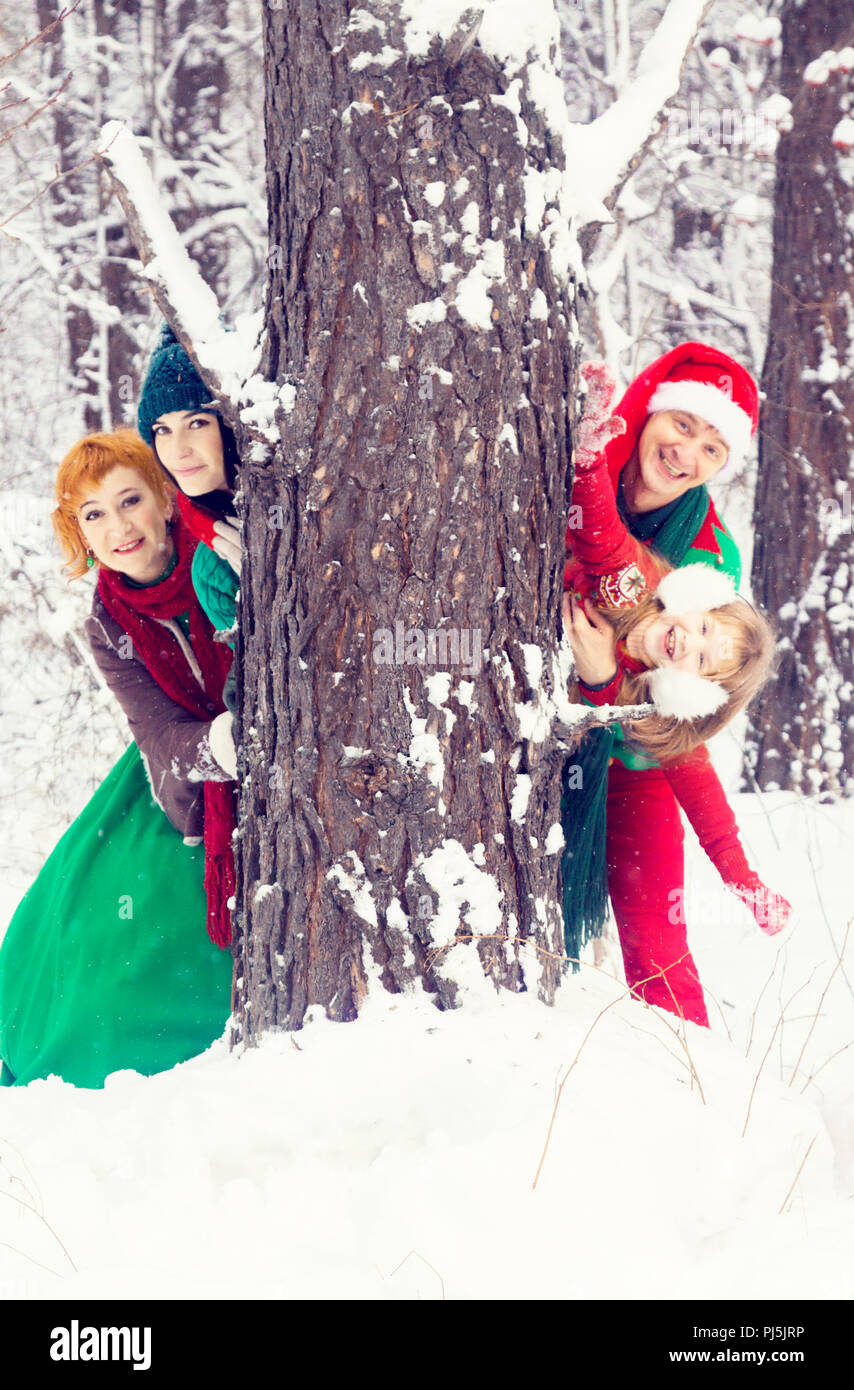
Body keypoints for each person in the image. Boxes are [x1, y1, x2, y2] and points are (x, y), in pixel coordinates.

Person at [560, 351, 791, 1028]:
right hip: (557, 720)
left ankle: (691, 1077)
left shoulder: (709, 557)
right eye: (682, 424)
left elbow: (680, 730)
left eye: (711, 446)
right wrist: (588, 449)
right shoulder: (591, 481)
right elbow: (599, 534)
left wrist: (740, 872)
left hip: (638, 750)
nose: (686, 451)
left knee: (658, 939)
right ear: (652, 408)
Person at [0, 430, 236, 1087]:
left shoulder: (225, 556)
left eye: (129, 500)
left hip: (276, 763)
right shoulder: (108, 622)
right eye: (93, 514)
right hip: (181, 782)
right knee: (98, 941)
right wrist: (224, 746)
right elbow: (157, 731)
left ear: (165, 498)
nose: (117, 526)